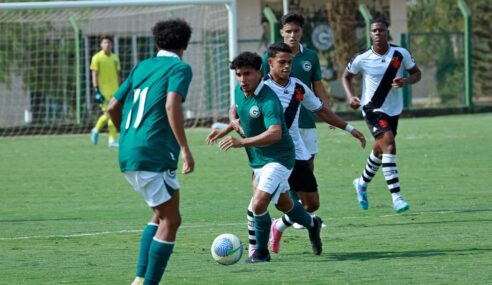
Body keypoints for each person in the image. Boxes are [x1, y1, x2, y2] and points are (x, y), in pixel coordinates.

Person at [207, 51, 323, 262]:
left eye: (247, 74)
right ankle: (311, 223)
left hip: (280, 158)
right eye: (239, 74)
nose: (243, 79)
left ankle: (260, 252)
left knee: (258, 204)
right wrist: (227, 128)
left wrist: (240, 141)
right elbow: (237, 112)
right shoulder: (239, 91)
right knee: (284, 204)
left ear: (259, 73)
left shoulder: (269, 99)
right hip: (257, 158)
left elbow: (275, 133)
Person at [107, 19, 195, 285]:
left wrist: (129, 136)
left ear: (156, 42)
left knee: (160, 214)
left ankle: (139, 279)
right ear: (185, 44)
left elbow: (112, 106)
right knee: (172, 219)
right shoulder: (180, 67)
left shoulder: (142, 66)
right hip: (152, 152)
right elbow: (171, 106)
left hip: (130, 150)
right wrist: (185, 148)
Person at [262, 43, 366, 254]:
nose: (287, 66)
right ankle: (257, 251)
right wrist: (233, 124)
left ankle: (281, 225)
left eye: (289, 62)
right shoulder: (261, 88)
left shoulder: (298, 87)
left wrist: (350, 128)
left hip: (297, 153)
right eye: (282, 62)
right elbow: (236, 110)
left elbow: (322, 110)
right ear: (270, 63)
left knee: (311, 205)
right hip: (271, 155)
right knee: (266, 202)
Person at [342, 17, 421, 213]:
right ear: (370, 34)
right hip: (372, 108)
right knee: (389, 144)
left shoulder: (400, 54)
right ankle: (397, 197)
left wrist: (406, 81)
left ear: (387, 32)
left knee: (379, 150)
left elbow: (417, 73)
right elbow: (346, 76)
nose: (378, 33)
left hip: (393, 109)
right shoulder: (362, 58)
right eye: (374, 30)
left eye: (381, 30)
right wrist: (351, 96)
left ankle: (361, 183)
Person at [261, 12, 331, 227]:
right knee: (284, 167)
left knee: (307, 166)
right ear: (281, 32)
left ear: (302, 32)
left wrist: (327, 111)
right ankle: (297, 214)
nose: (292, 35)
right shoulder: (270, 57)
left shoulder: (310, 57)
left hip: (306, 119)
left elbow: (317, 84)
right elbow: (261, 86)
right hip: (279, 124)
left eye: (296, 31)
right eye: (288, 31)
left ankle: (297, 211)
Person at [90, 35, 121, 148]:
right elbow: (94, 75)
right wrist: (97, 90)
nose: (107, 45)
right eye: (105, 42)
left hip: (115, 91)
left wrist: (120, 89)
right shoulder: (96, 58)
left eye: (109, 42)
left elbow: (117, 75)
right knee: (108, 114)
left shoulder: (115, 58)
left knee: (113, 115)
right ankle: (97, 130)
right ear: (101, 44)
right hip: (103, 92)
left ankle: (111, 140)